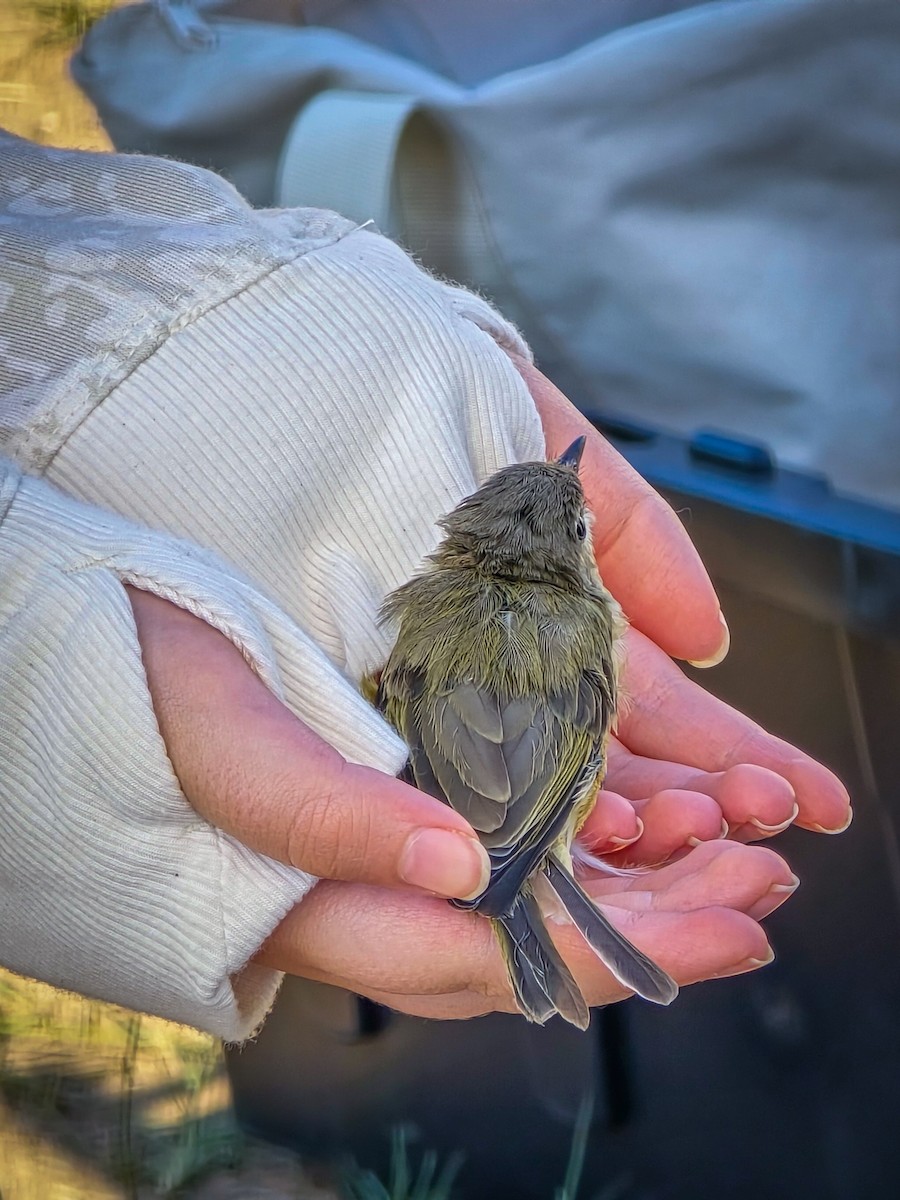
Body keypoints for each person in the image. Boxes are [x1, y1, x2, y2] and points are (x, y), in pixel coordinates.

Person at [0, 130, 850, 1041]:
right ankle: (527, 899)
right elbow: (563, 737)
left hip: (477, 800)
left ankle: (521, 896)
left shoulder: (427, 600)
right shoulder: (581, 623)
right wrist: (519, 846)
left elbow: (425, 706)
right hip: (510, 810)